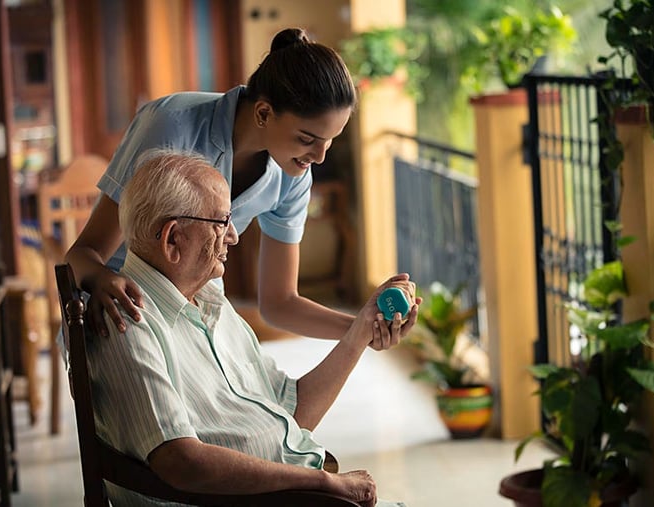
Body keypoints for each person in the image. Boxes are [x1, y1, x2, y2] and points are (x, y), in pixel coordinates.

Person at [88, 150, 416, 506]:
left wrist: (361, 331)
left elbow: (291, 412)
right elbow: (181, 463)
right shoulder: (128, 321)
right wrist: (321, 483)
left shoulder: (209, 300)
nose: (233, 236)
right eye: (220, 221)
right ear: (172, 240)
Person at [65, 27, 411, 346]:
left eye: (329, 141)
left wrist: (365, 326)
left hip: (196, 316)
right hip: (118, 313)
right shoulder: (171, 125)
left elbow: (279, 304)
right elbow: (82, 256)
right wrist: (98, 279)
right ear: (263, 113)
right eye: (307, 139)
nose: (319, 157)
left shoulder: (291, 175)